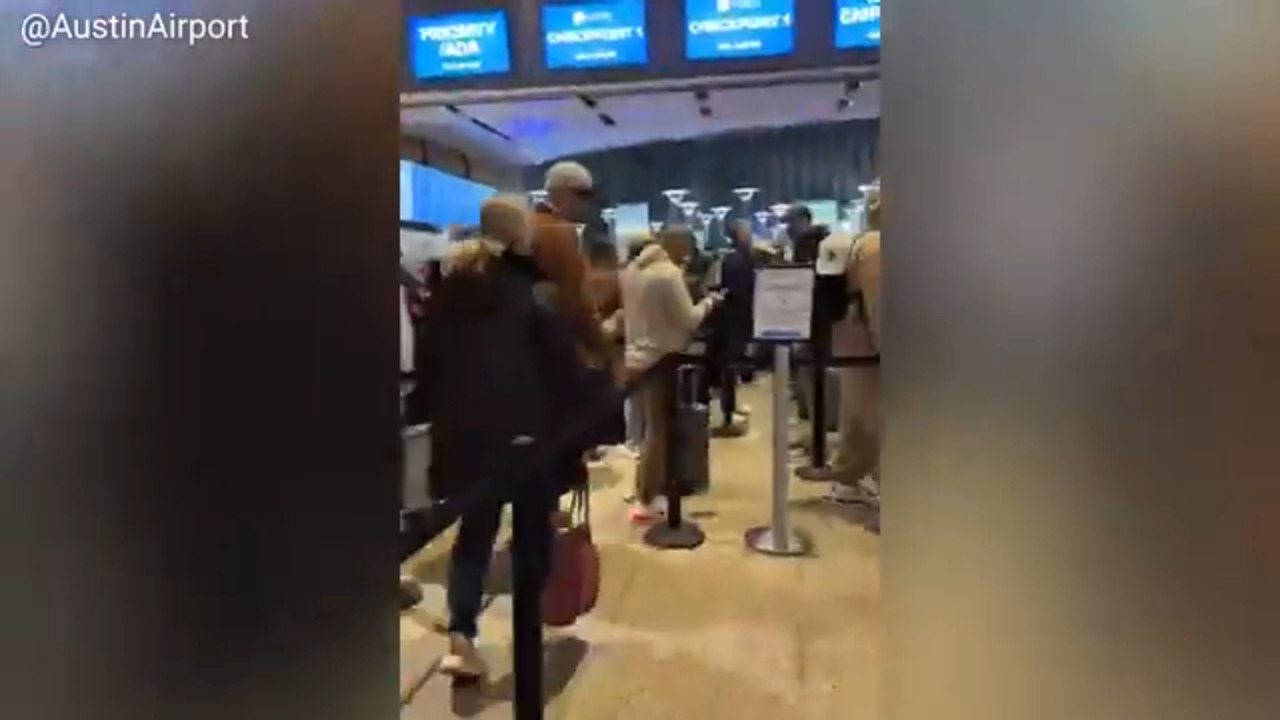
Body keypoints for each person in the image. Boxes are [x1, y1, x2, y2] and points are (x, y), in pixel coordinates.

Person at [414, 195, 605, 680]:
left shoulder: (448, 291)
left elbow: (429, 367)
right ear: (521, 237)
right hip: (527, 438)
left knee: (474, 534)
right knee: (531, 537)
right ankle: (527, 638)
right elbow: (562, 373)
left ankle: (462, 634)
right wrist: (586, 421)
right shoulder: (534, 293)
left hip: (465, 435)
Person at [615, 228, 721, 523]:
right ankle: (646, 498)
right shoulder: (667, 274)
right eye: (687, 246)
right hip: (661, 359)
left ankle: (648, 490)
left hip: (636, 356)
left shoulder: (632, 270)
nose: (688, 254)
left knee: (646, 429)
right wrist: (710, 302)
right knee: (658, 432)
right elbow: (689, 319)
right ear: (678, 244)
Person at [823, 191, 882, 505]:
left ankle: (848, 478)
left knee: (857, 414)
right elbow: (878, 302)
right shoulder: (876, 246)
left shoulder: (864, 243)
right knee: (873, 415)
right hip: (866, 344)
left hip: (854, 341)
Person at [706, 220, 757, 437]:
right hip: (736, 320)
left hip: (734, 319)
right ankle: (727, 414)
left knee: (730, 366)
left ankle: (730, 410)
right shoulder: (739, 260)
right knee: (729, 366)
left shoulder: (734, 259)